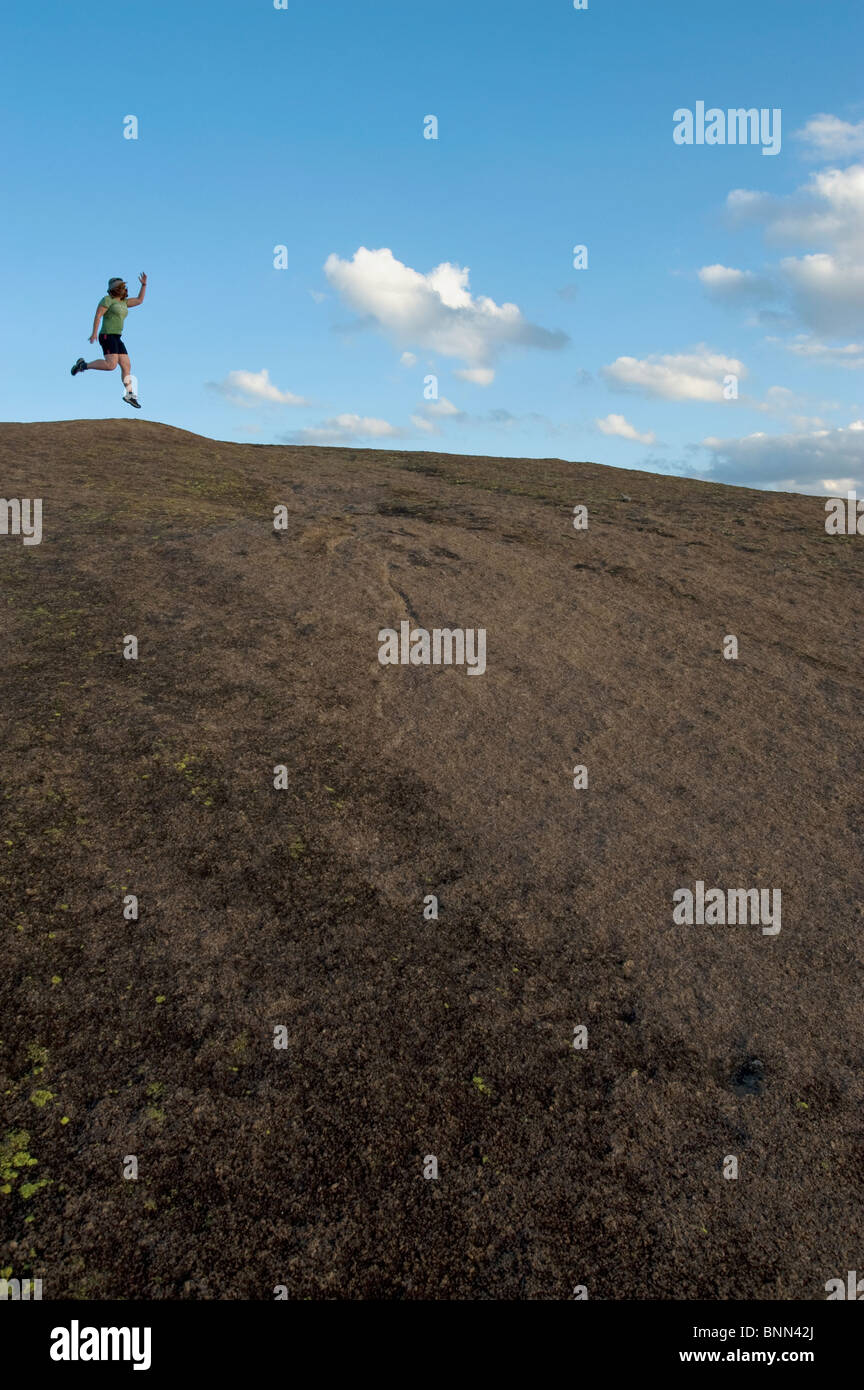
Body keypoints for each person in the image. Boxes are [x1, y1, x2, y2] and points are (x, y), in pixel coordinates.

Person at [71, 274, 147, 408]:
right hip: (107, 335)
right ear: (114, 289)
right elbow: (98, 315)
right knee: (111, 365)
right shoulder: (107, 300)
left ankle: (129, 395)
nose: (123, 289)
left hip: (117, 337)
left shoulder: (124, 302)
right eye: (120, 287)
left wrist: (143, 285)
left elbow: (140, 300)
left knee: (126, 365)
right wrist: (94, 332)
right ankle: (83, 365)